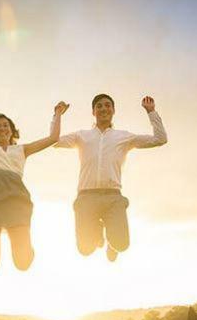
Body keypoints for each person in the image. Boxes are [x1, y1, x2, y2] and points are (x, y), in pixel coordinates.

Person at [0, 96, 69, 272]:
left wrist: (58, 113)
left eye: (5, 125)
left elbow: (53, 138)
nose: (2, 128)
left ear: (11, 130)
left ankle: (20, 235)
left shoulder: (22, 150)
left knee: (23, 263)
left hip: (16, 198)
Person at [54, 93, 167, 261]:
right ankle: (99, 232)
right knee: (85, 250)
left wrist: (151, 112)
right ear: (93, 112)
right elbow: (53, 141)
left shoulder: (123, 137)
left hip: (112, 196)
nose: (103, 108)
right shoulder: (81, 136)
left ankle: (110, 242)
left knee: (121, 245)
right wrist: (57, 115)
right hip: (86, 196)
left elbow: (160, 139)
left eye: (107, 105)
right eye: (99, 106)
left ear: (113, 110)